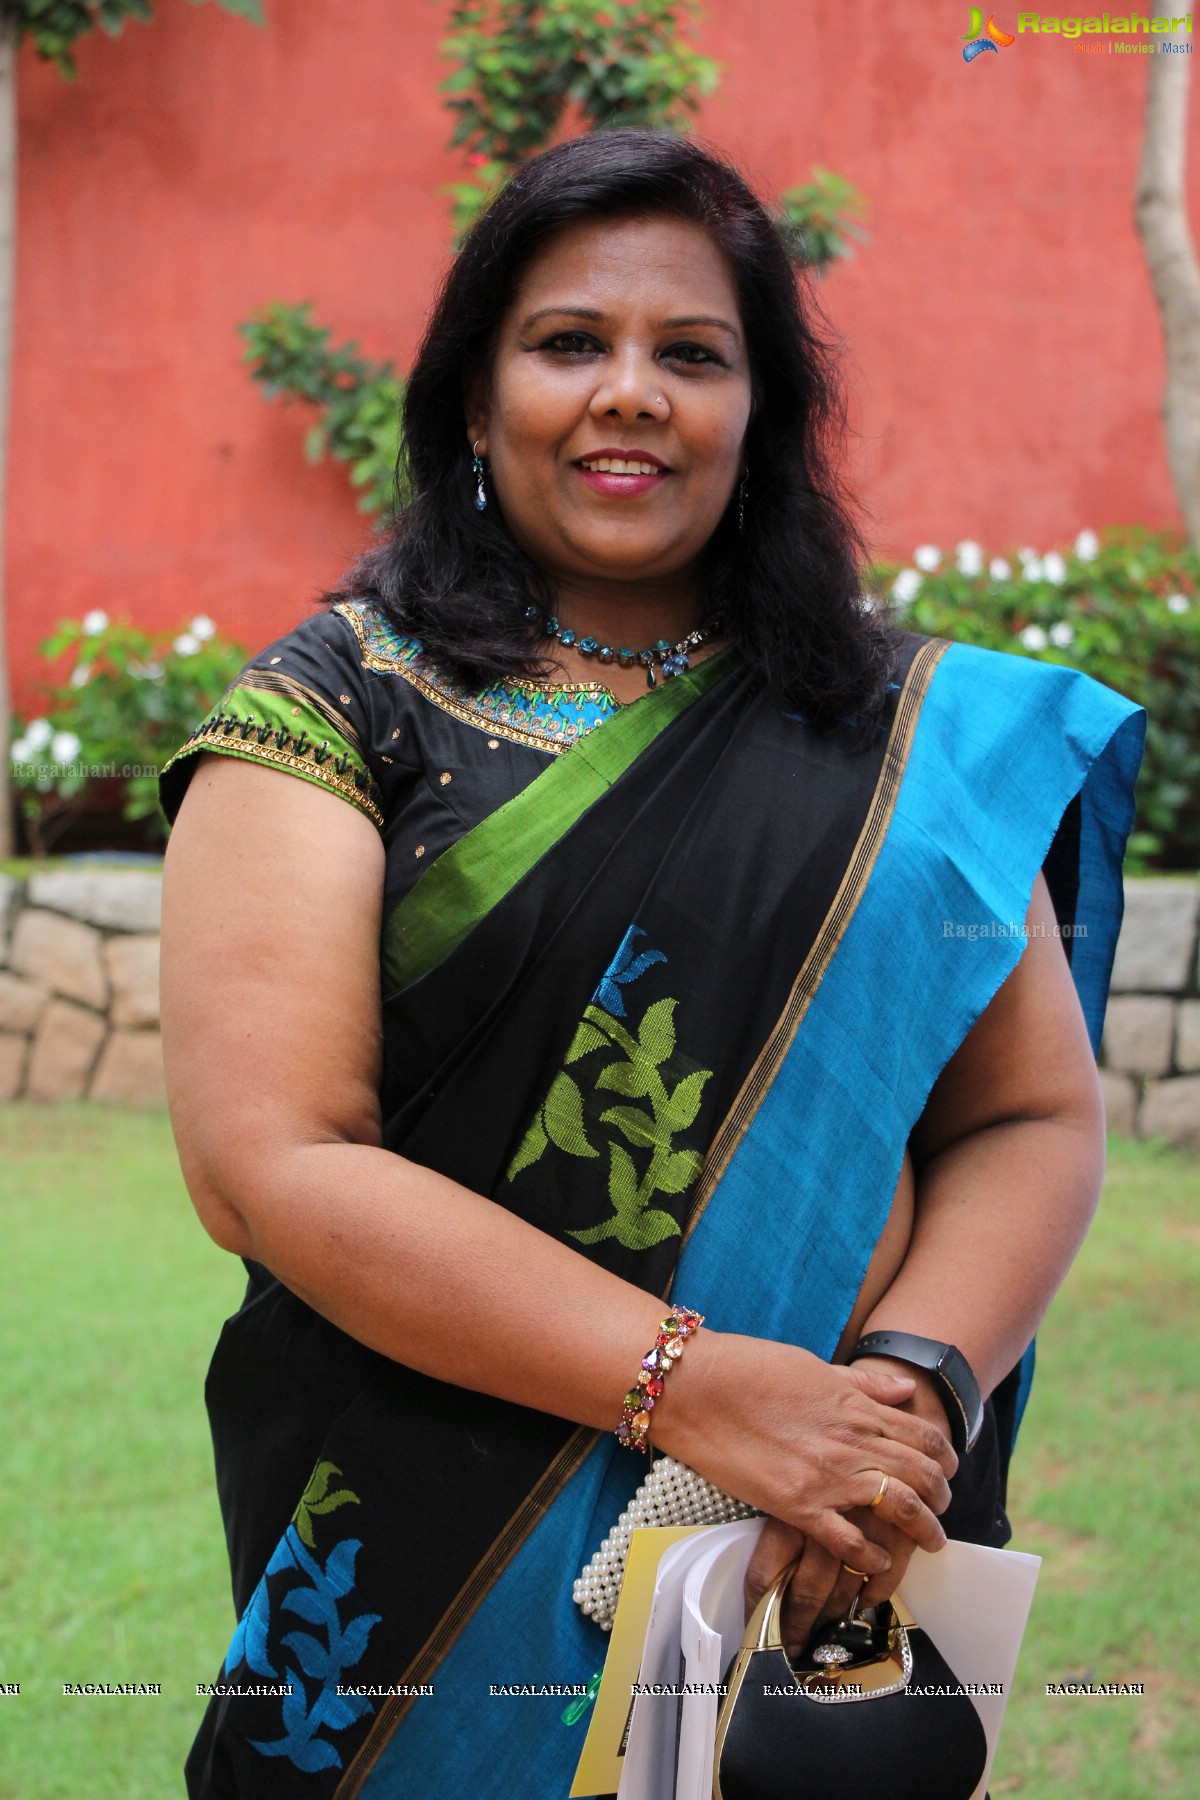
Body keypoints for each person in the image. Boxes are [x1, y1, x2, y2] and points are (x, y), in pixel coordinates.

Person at [158, 129, 1143, 1800]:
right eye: (568, 345)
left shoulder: (901, 737)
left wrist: (903, 1396)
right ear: (475, 401)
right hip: (429, 1535)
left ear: (761, 413)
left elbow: (1028, 1118)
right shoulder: (341, 704)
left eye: (693, 353)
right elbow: (273, 1166)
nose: (632, 392)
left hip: (819, 1532)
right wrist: (695, 1390)